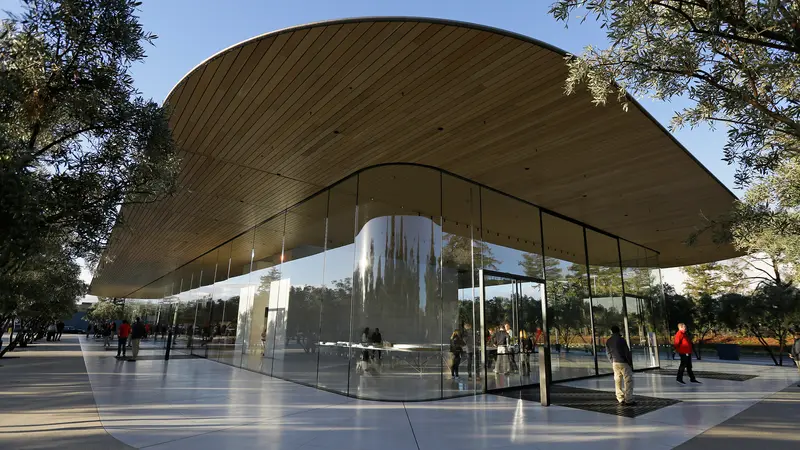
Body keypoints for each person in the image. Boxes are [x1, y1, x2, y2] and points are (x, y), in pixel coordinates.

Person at [606, 325, 635, 405]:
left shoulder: (608, 341)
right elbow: (626, 352)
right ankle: (628, 399)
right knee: (628, 380)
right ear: (618, 331)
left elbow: (608, 353)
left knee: (617, 380)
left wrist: (612, 361)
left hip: (615, 363)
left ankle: (620, 398)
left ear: (611, 332)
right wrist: (630, 363)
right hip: (624, 362)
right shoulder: (622, 340)